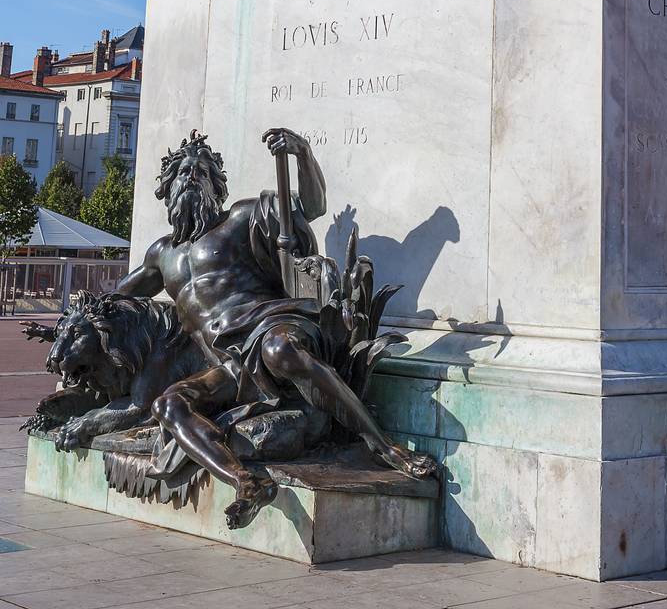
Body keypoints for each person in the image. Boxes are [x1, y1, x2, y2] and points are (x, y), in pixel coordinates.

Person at [118, 129, 435, 528]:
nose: (191, 180)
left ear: (217, 187)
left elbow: (311, 206)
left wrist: (301, 152)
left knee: (279, 351)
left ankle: (383, 445)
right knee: (168, 404)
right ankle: (246, 482)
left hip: (272, 325)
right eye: (183, 174)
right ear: (167, 189)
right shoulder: (161, 254)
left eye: (202, 173)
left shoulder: (242, 218)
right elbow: (121, 296)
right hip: (229, 363)